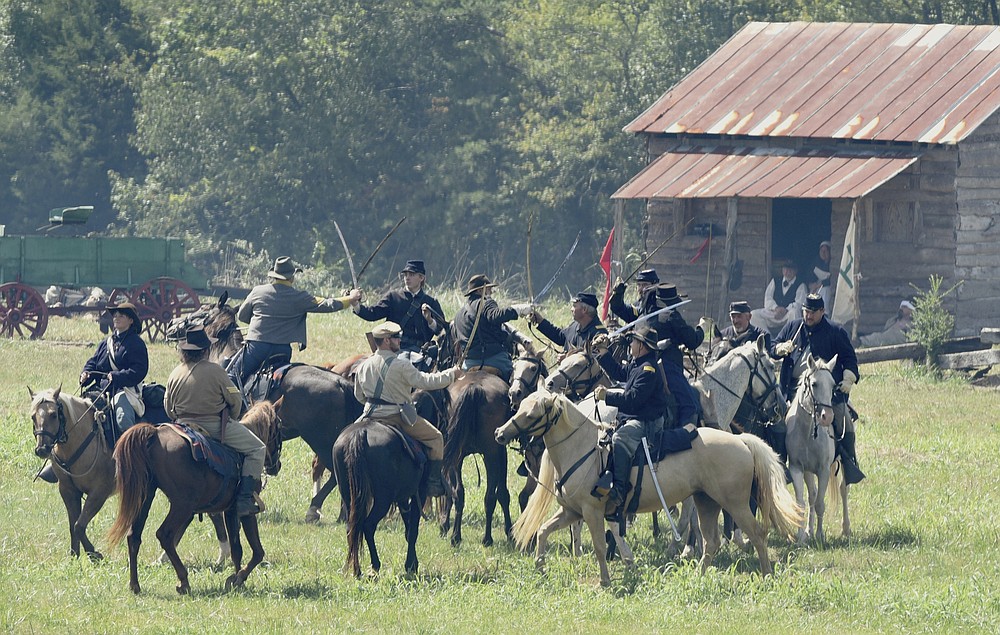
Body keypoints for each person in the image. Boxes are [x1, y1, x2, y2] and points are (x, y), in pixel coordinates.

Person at [38, 301, 150, 484]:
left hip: (124, 391)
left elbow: (139, 370)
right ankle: (58, 462)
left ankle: (131, 461)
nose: (116, 317)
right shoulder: (106, 343)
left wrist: (117, 377)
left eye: (121, 315)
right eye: (115, 315)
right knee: (69, 414)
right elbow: (93, 362)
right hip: (100, 391)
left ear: (131, 320)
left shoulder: (136, 344)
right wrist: (86, 373)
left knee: (123, 418)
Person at [165, 325, 267, 517]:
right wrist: (234, 416)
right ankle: (245, 499)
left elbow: (168, 406)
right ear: (205, 350)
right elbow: (235, 400)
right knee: (257, 449)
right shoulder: (216, 371)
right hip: (212, 425)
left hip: (181, 427)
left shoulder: (175, 373)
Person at [353, 321, 460, 497]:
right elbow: (426, 382)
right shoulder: (402, 365)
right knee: (436, 438)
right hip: (396, 417)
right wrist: (451, 374)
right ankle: (433, 483)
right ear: (387, 341)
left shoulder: (364, 365)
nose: (400, 340)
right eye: (396, 337)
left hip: (369, 416)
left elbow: (359, 396)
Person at [772, 293, 865, 484]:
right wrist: (780, 348)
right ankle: (779, 465)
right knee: (774, 423)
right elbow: (772, 345)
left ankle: (849, 462)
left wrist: (848, 379)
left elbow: (850, 359)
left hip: (827, 395)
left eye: (813, 312)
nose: (808, 316)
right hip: (791, 391)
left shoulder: (836, 331)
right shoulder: (793, 327)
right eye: (806, 311)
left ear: (822, 311)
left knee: (843, 421)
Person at [227, 256, 361, 387]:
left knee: (232, 378)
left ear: (273, 275)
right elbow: (328, 304)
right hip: (282, 350)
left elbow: (243, 316)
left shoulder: (258, 291)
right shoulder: (300, 297)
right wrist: (350, 299)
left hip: (257, 348)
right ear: (292, 277)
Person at [590, 323, 675, 517]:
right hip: (637, 417)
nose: (631, 344)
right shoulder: (639, 364)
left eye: (634, 341)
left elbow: (633, 401)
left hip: (648, 423)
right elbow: (620, 373)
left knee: (620, 438)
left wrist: (607, 396)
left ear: (642, 346)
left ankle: (619, 490)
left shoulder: (648, 370)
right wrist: (603, 353)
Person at [352, 259, 446, 371]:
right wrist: (355, 303)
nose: (407, 278)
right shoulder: (393, 297)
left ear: (421, 278)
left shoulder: (431, 302)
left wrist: (430, 320)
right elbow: (372, 314)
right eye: (405, 274)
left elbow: (440, 330)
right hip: (395, 348)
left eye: (411, 274)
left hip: (421, 351)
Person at [451, 274, 533, 380]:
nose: (491, 292)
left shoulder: (459, 315)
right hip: (495, 359)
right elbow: (496, 315)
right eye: (489, 289)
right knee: (519, 382)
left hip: (469, 363)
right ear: (481, 291)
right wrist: (518, 310)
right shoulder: (486, 303)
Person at [529, 291, 608, 355]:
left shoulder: (599, 334)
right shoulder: (575, 325)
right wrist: (540, 321)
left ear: (584, 310)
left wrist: (567, 359)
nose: (571, 309)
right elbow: (560, 337)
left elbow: (594, 363)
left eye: (574, 306)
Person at [751, 260, 807, 335]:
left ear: (795, 271)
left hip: (788, 314)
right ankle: (766, 337)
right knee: (754, 314)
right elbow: (768, 297)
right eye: (786, 269)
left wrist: (785, 310)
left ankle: (790, 338)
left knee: (795, 312)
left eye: (790, 269)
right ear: (782, 270)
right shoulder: (775, 281)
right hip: (774, 313)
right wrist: (776, 308)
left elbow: (800, 303)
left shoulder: (801, 285)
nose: (788, 271)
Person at [808, 241, 833, 307]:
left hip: (826, 288)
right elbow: (810, 277)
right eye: (821, 251)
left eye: (825, 251)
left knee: (825, 291)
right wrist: (811, 284)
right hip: (816, 288)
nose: (823, 253)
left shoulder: (832, 264)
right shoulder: (815, 263)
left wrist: (821, 284)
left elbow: (832, 279)